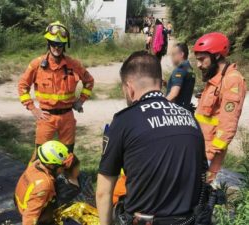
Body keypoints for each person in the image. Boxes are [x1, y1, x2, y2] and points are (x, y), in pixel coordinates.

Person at [96, 51, 207, 225]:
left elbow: (104, 191)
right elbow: (201, 174)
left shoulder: (124, 120)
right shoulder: (190, 118)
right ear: (160, 83)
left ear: (129, 87)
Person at [18, 21, 94, 155]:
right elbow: (22, 86)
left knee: (67, 155)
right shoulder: (37, 64)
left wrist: (81, 100)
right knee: (40, 155)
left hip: (67, 117)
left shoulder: (73, 64)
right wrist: (33, 109)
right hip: (46, 117)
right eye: (53, 43)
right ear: (48, 43)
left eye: (60, 44)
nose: (56, 48)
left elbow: (89, 81)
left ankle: (65, 176)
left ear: (65, 45)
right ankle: (38, 176)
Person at [193, 32, 247, 183]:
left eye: (202, 59)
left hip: (208, 158)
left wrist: (208, 159)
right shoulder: (216, 79)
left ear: (216, 56)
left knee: (199, 199)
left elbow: (227, 126)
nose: (198, 65)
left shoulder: (232, 81)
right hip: (198, 150)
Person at [15, 140, 74, 225]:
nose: (64, 169)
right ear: (51, 165)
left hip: (20, 202)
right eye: (62, 166)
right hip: (27, 210)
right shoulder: (44, 184)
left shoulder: (35, 164)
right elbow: (30, 215)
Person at [166, 43, 195, 112]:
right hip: (185, 110)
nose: (171, 57)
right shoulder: (190, 69)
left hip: (175, 111)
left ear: (181, 54)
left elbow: (174, 94)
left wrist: (161, 104)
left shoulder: (179, 70)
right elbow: (184, 88)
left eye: (173, 54)